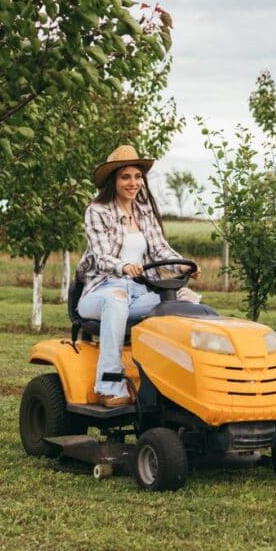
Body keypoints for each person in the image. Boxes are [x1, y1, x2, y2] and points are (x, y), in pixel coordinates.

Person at [74, 145, 197, 407]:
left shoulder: (144, 212)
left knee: (186, 302)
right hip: (101, 291)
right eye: (125, 177)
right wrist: (123, 266)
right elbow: (101, 256)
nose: (133, 183)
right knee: (117, 299)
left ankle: (178, 383)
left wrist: (183, 267)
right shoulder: (97, 211)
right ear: (113, 180)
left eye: (137, 177)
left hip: (138, 292)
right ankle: (108, 385)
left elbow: (160, 249)